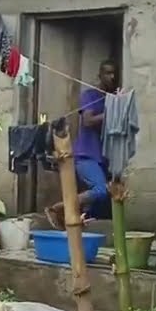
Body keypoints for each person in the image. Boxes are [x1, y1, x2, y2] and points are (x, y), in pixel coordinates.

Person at [46, 59, 119, 228]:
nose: (112, 77)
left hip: (102, 158)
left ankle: (82, 226)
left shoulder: (112, 99)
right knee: (101, 190)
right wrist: (111, 114)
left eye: (114, 73)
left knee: (104, 202)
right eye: (108, 73)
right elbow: (87, 120)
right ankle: (59, 208)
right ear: (99, 75)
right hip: (85, 155)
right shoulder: (90, 96)